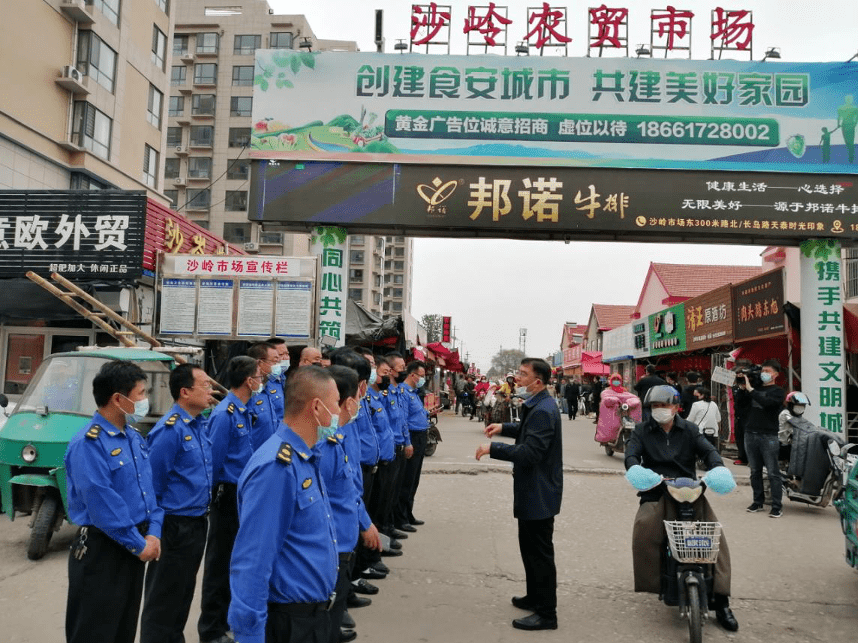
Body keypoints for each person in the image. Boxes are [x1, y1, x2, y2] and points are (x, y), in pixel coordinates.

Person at [228, 366, 340, 643]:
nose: (339, 412)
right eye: (336, 403)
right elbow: (253, 560)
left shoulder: (306, 457)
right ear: (317, 407)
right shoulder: (277, 467)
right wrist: (250, 635)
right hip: (289, 623)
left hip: (313, 617)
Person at [624, 385, 739, 632]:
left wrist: (717, 467)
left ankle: (722, 602)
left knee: (714, 539)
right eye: (654, 406)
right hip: (656, 489)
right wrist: (636, 469)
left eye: (664, 406)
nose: (659, 411)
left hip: (689, 491)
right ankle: (654, 581)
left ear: (677, 407)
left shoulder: (690, 429)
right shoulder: (642, 431)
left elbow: (709, 452)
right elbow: (631, 455)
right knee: (644, 527)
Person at [64, 360, 164, 643]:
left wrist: (153, 532)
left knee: (123, 630)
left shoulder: (133, 438)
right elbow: (102, 505)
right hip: (103, 551)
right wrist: (139, 544)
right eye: (142, 393)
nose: (146, 400)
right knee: (95, 631)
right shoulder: (88, 444)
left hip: (134, 547)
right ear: (118, 399)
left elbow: (149, 493)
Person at [476, 358, 562, 631]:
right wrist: (503, 428)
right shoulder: (536, 404)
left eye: (523, 375)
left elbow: (530, 452)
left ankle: (547, 614)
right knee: (529, 546)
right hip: (531, 489)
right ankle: (535, 596)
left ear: (538, 382)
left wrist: (494, 449)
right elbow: (527, 432)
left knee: (539, 553)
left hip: (539, 491)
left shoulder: (543, 410)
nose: (518, 379)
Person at [141, 364, 214, 643]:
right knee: (164, 597)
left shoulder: (198, 424)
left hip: (196, 522)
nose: (210, 390)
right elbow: (153, 485)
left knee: (182, 592)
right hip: (173, 524)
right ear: (185, 392)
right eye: (205, 385)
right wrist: (154, 530)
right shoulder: (169, 430)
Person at [198, 356, 262, 643]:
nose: (262, 380)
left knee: (235, 561)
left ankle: (226, 620)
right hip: (226, 497)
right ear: (249, 380)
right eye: (259, 376)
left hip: (242, 496)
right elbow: (213, 462)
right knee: (219, 563)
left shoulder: (243, 411)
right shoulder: (225, 414)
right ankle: (211, 630)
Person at [320, 365, 382, 643]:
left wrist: (364, 521)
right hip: (331, 543)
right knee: (323, 617)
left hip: (344, 537)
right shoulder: (321, 446)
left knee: (331, 616)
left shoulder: (336, 436)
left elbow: (347, 489)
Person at [740, 359, 787, 518]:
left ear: (775, 374)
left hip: (769, 435)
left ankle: (776, 505)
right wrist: (741, 389)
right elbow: (740, 406)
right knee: (755, 471)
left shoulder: (778, 392)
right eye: (762, 371)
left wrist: (751, 390)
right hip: (750, 433)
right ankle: (757, 502)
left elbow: (767, 403)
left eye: (767, 371)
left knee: (773, 472)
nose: (764, 374)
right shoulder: (754, 388)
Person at [395, 361, 429, 532]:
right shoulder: (403, 392)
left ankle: (409, 513)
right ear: (412, 375)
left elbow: (416, 413)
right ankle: (400, 518)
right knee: (406, 480)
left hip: (422, 436)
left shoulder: (414, 393)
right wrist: (407, 442)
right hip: (412, 437)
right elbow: (403, 420)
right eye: (421, 376)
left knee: (414, 479)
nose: (423, 379)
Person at [247, 342, 283, 442]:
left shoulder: (268, 387)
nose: (278, 366)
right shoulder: (248, 392)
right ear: (259, 363)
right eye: (275, 362)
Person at [730, 358, 754, 465]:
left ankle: (751, 459)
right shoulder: (736, 387)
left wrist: (747, 387)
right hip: (739, 416)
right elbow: (737, 400)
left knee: (748, 438)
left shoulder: (752, 386)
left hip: (750, 416)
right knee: (739, 436)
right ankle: (742, 457)